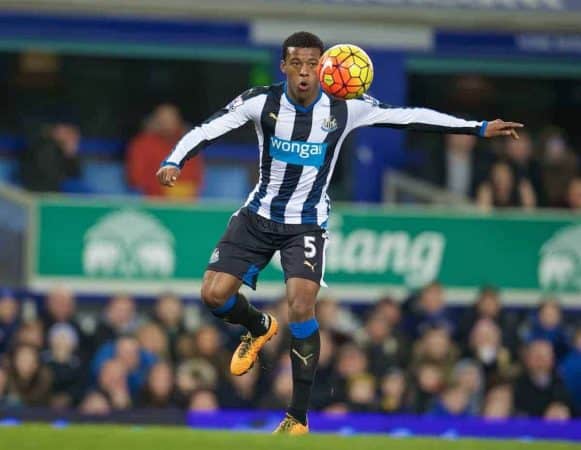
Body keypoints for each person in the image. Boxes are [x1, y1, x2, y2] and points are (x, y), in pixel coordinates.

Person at [156, 31, 523, 434]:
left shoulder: (346, 108)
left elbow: (410, 116)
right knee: (213, 295)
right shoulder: (261, 102)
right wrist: (175, 159)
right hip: (257, 215)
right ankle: (259, 326)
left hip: (307, 222)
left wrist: (478, 127)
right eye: (295, 63)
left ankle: (297, 416)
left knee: (301, 303)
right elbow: (209, 128)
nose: (304, 72)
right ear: (284, 66)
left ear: (324, 67)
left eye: (312, 64)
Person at [126, 104, 204, 199]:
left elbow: (196, 179)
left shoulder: (189, 143)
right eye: (162, 120)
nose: (166, 124)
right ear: (154, 121)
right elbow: (135, 179)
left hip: (185, 201)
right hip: (152, 201)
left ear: (178, 121)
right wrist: (163, 190)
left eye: (170, 119)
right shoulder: (141, 144)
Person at [20, 123, 82, 192]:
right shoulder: (44, 147)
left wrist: (70, 155)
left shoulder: (63, 150)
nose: (72, 138)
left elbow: (76, 175)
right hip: (37, 189)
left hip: (52, 189)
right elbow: (49, 175)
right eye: (68, 133)